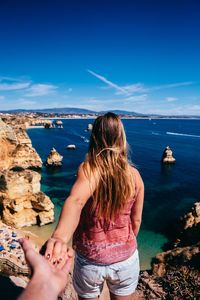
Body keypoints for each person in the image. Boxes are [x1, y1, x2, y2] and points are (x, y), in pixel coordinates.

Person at [45, 112, 144, 300]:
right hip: (126, 261)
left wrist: (60, 237)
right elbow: (136, 220)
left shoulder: (89, 170)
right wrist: (124, 246)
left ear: (95, 137)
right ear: (122, 138)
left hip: (90, 260)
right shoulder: (135, 177)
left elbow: (76, 201)